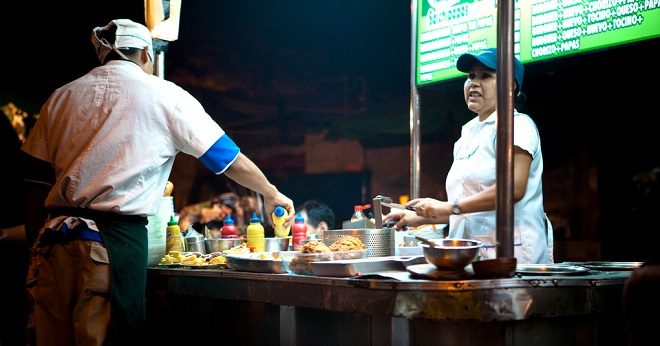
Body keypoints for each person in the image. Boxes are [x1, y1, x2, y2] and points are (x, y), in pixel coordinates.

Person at [20, 19, 295, 346]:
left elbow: (33, 181)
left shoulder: (61, 97)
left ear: (103, 55)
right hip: (111, 246)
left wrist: (33, 246)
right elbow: (226, 157)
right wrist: (270, 192)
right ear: (147, 53)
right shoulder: (166, 96)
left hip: (53, 245)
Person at [383, 47, 553, 264]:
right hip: (470, 257)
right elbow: (465, 209)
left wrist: (450, 206)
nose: (474, 83)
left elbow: (513, 189)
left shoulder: (518, 125)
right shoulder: (466, 136)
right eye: (471, 76)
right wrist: (417, 217)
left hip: (514, 256)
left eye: (485, 76)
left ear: (509, 86)